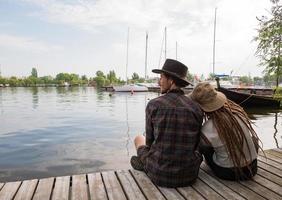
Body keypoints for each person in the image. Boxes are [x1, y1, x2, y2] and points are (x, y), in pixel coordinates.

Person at [131, 59, 203, 188]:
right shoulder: (196, 107)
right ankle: (145, 162)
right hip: (189, 175)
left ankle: (144, 163)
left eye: (162, 77)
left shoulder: (153, 105)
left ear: (171, 80)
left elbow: (149, 143)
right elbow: (196, 144)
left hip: (159, 174)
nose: (160, 81)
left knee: (138, 139)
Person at [189, 82, 261, 180]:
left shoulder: (207, 128)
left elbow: (199, 148)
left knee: (205, 148)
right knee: (252, 139)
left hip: (228, 173)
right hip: (252, 169)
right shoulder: (239, 113)